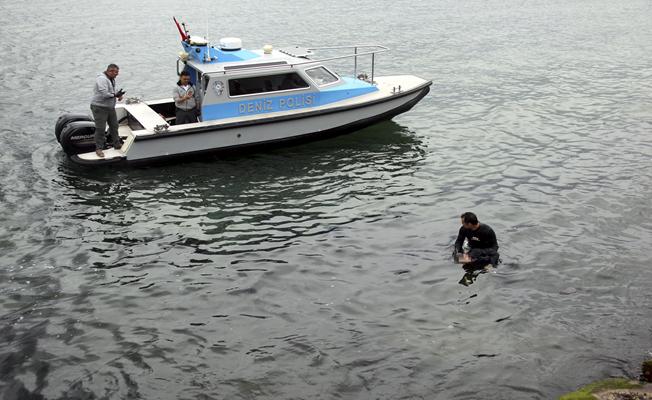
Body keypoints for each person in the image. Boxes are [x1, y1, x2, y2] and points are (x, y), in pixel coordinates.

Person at [90, 64, 125, 158]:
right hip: (99, 107)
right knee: (100, 128)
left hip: (110, 107)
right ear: (110, 71)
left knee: (114, 126)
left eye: (117, 72)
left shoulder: (111, 78)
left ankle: (117, 144)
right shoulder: (101, 79)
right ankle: (99, 148)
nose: (117, 74)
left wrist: (119, 94)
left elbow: (113, 90)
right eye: (116, 72)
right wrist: (115, 95)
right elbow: (104, 93)